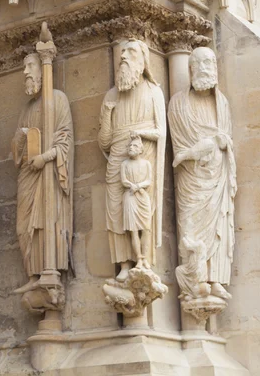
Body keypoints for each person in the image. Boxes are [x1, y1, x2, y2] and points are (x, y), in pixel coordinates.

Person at [168, 47, 236, 300]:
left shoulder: (222, 103)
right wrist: (203, 147)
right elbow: (179, 143)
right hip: (191, 178)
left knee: (219, 223)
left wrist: (221, 142)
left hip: (217, 175)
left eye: (210, 62)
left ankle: (216, 279)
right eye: (199, 63)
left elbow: (227, 137)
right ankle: (195, 279)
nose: (205, 67)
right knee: (191, 227)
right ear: (190, 68)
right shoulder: (178, 103)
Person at [99, 38, 166, 282]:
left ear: (143, 60)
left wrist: (140, 135)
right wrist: (107, 111)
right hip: (117, 160)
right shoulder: (111, 95)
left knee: (142, 214)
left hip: (143, 157)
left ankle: (144, 261)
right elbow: (104, 143)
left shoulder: (153, 92)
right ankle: (125, 264)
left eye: (131, 52)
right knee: (116, 212)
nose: (123, 57)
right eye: (122, 53)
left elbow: (161, 132)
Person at [11, 52, 73, 293]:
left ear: (42, 70)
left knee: (45, 222)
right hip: (28, 173)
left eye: (30, 66)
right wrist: (21, 136)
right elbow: (16, 150)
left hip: (47, 173)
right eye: (24, 67)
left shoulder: (57, 100)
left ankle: (48, 270)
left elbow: (64, 139)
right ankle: (31, 273)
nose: (25, 72)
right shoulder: (27, 108)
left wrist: (45, 158)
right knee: (24, 227)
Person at [120, 135, 153, 269]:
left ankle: (145, 258)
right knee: (133, 230)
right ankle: (138, 258)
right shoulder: (125, 164)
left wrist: (138, 186)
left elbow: (149, 180)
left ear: (140, 150)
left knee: (146, 229)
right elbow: (123, 180)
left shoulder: (146, 163)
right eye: (130, 146)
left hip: (142, 196)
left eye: (134, 146)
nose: (131, 148)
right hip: (130, 197)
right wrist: (131, 185)